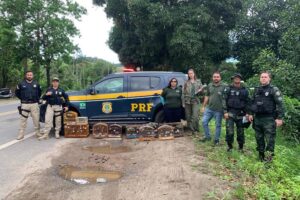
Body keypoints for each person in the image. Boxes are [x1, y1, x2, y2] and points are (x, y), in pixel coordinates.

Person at [248, 71, 284, 162]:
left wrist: (279, 118)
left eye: (265, 77)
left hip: (269, 119)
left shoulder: (273, 89)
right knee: (259, 138)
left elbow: (280, 104)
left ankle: (268, 160)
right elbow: (252, 102)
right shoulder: (257, 90)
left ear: (269, 79)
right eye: (262, 77)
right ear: (260, 79)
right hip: (258, 118)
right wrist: (250, 114)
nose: (263, 78)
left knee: (270, 140)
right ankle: (261, 157)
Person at [223, 73, 250, 152]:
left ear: (240, 79)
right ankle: (230, 147)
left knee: (241, 133)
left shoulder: (244, 90)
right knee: (230, 132)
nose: (237, 79)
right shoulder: (228, 89)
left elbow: (248, 102)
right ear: (233, 79)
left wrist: (248, 113)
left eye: (238, 78)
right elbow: (224, 100)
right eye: (235, 78)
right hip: (230, 113)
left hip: (241, 114)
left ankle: (241, 147)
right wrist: (225, 112)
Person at [201, 72, 227, 145]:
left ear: (220, 78)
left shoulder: (224, 86)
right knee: (204, 122)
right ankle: (207, 136)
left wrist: (225, 111)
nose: (216, 78)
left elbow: (227, 98)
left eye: (217, 77)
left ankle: (216, 140)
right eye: (214, 77)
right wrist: (203, 106)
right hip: (209, 109)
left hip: (219, 110)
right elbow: (207, 96)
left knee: (218, 125)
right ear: (212, 78)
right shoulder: (210, 85)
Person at [15, 70, 42, 140]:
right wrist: (23, 99)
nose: (29, 76)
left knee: (36, 119)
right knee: (23, 120)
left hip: (34, 104)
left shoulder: (36, 83)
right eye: (28, 75)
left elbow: (39, 92)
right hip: (25, 104)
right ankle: (21, 134)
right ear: (26, 76)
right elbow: (17, 93)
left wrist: (36, 99)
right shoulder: (21, 83)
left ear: (33, 76)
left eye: (31, 75)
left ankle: (38, 133)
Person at [182, 69, 204, 134]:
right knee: (188, 117)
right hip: (187, 101)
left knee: (195, 116)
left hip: (195, 101)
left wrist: (201, 90)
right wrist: (183, 103)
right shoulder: (186, 82)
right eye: (189, 73)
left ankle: (196, 129)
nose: (190, 74)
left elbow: (202, 92)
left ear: (194, 74)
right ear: (188, 75)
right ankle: (191, 130)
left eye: (191, 73)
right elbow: (183, 93)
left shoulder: (198, 82)